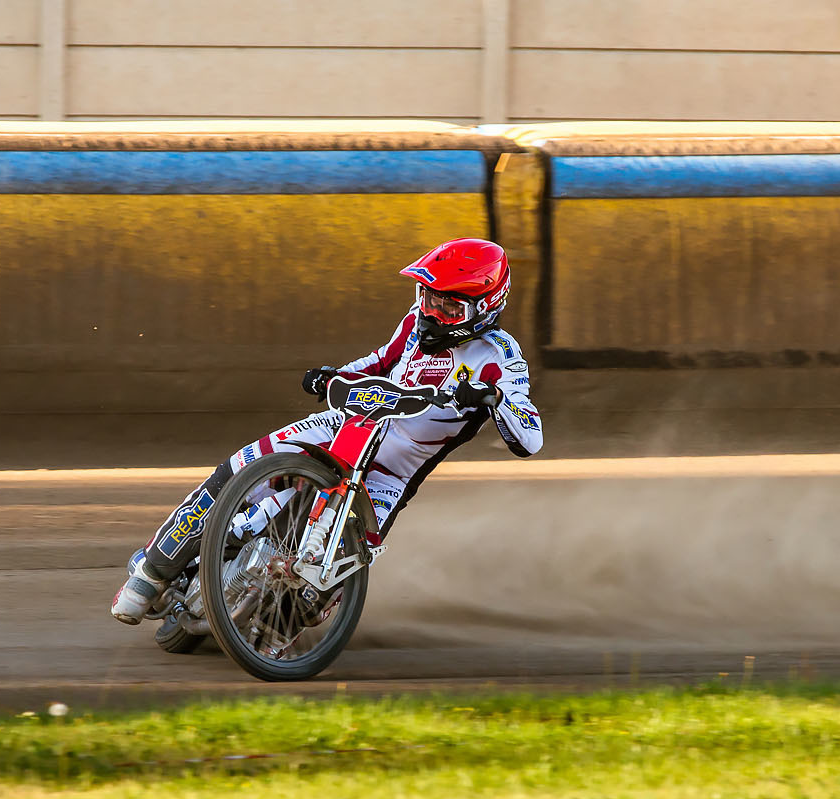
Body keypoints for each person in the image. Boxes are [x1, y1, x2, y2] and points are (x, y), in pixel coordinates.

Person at [110, 237, 544, 624]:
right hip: (349, 422)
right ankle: (151, 573)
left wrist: (495, 399)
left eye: (448, 307)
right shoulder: (415, 321)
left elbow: (531, 437)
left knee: (313, 600)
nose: (431, 313)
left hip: (393, 470)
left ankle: (265, 622)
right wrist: (331, 375)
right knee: (241, 467)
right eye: (427, 298)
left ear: (486, 307)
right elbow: (376, 362)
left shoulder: (500, 356)